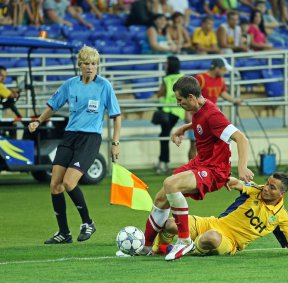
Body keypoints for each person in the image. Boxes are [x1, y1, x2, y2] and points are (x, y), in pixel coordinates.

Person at [139, 76, 254, 261]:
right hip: (201, 162)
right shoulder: (200, 107)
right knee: (161, 197)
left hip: (215, 170)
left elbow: (241, 138)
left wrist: (242, 168)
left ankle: (184, 241)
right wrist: (184, 128)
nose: (178, 104)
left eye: (179, 100)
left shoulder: (213, 114)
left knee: (171, 184)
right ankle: (145, 247)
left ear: (191, 97)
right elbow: (202, 122)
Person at [28, 45, 121, 244]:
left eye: (94, 64)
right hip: (69, 137)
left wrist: (115, 143)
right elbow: (53, 105)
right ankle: (64, 233)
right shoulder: (70, 85)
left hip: (90, 139)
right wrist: (38, 121)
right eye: (87, 63)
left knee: (69, 183)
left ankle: (88, 222)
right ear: (80, 65)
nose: (90, 67)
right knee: (55, 186)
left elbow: (116, 117)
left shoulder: (105, 86)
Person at [152, 172, 288, 257]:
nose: (266, 188)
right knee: (169, 224)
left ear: (282, 195)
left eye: (272, 187)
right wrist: (226, 178)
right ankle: (159, 249)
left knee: (210, 238)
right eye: (267, 183)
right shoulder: (255, 191)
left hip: (229, 242)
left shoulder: (281, 217)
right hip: (212, 222)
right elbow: (238, 184)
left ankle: (187, 251)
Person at [187, 58, 243, 160]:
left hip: (210, 117)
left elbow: (223, 93)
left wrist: (234, 100)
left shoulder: (220, 80)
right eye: (223, 69)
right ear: (217, 68)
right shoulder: (201, 78)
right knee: (194, 143)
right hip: (196, 115)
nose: (224, 72)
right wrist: (187, 114)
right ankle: (192, 168)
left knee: (211, 143)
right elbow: (190, 96)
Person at [153, 56, 184, 174]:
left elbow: (160, 93)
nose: (165, 65)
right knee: (164, 135)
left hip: (166, 111)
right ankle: (164, 162)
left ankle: (164, 164)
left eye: (166, 63)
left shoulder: (166, 79)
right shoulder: (183, 77)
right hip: (177, 112)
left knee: (164, 136)